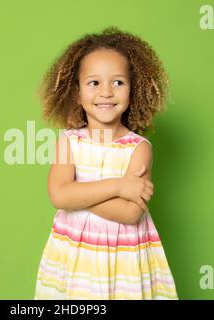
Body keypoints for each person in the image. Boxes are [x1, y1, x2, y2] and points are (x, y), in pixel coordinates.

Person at [34, 26, 178, 300]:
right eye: (94, 83)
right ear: (77, 93)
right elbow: (59, 195)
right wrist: (118, 186)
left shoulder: (139, 149)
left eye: (118, 82)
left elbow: (130, 213)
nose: (107, 92)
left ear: (132, 90)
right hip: (75, 255)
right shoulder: (68, 141)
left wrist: (77, 192)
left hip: (123, 256)